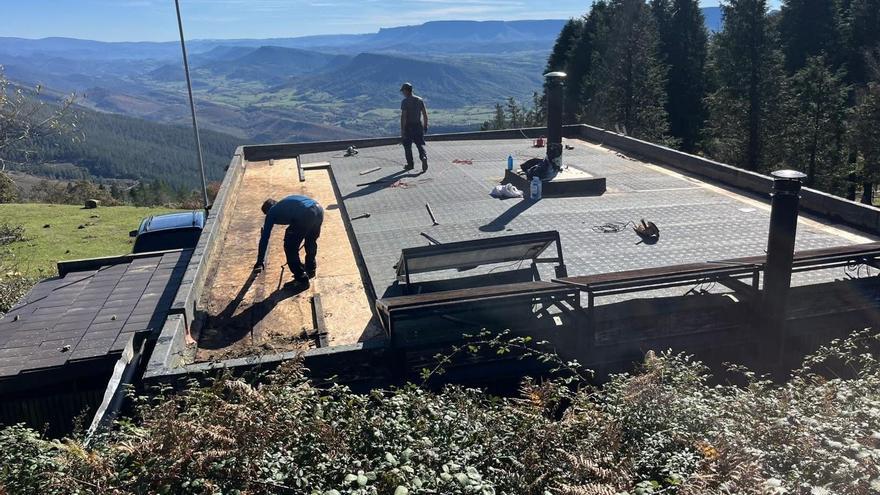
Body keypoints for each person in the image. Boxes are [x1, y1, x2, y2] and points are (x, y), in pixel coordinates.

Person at [253, 195, 324, 285]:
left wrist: (259, 261)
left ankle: (301, 279)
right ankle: (311, 268)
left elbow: (265, 238)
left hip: (306, 214)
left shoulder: (272, 212)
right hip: (319, 210)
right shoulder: (286, 203)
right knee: (310, 241)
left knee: (290, 247)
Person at [400, 82, 429, 172]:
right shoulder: (419, 100)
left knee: (407, 146)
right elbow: (424, 114)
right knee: (419, 144)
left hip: (409, 127)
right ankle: (423, 157)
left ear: (406, 91)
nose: (403, 93)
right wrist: (425, 125)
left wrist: (402, 130)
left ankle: (410, 165)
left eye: (403, 91)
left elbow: (404, 117)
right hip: (418, 126)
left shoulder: (405, 102)